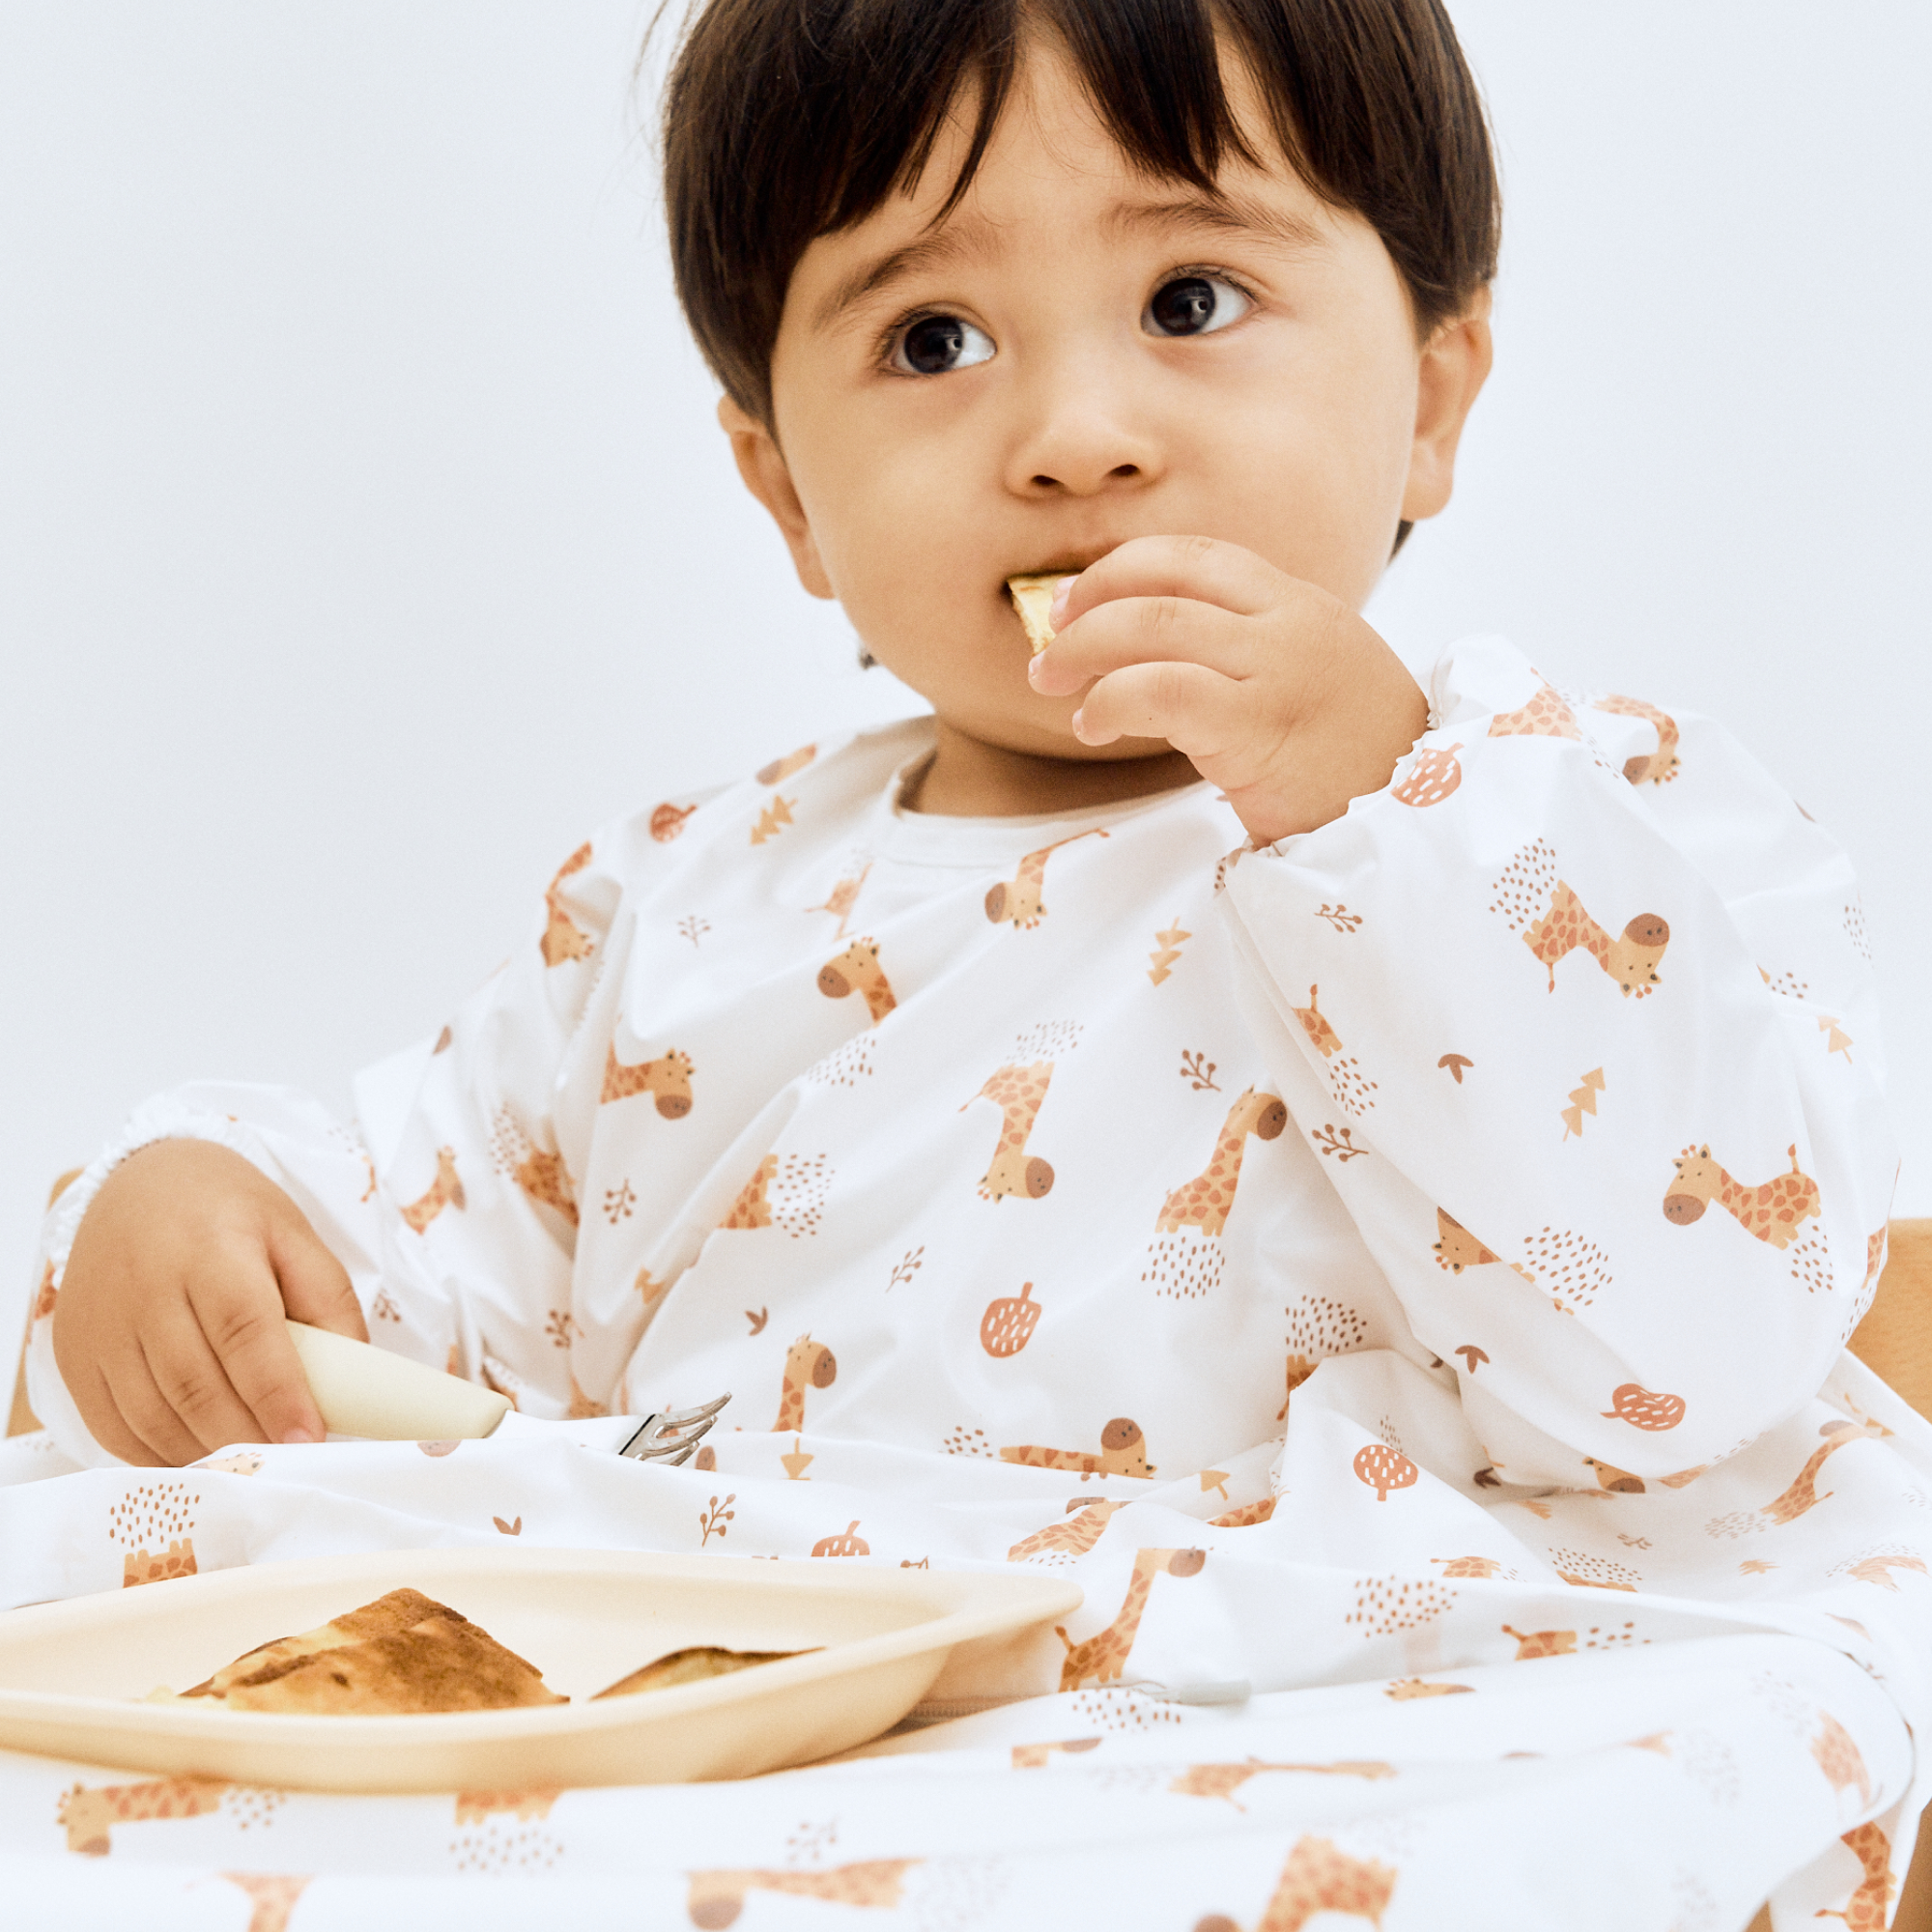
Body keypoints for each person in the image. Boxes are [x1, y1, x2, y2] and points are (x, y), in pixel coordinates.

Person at [17, 2, 1929, 1922]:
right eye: (931, 340)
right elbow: (435, 1294)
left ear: (1432, 398)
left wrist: (1381, 817)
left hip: (1320, 1706)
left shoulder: (1564, 830)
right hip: (770, 1729)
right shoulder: (688, 908)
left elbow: (1695, 1354)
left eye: (1190, 299)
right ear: (781, 491)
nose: (1074, 439)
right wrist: (218, 1219)